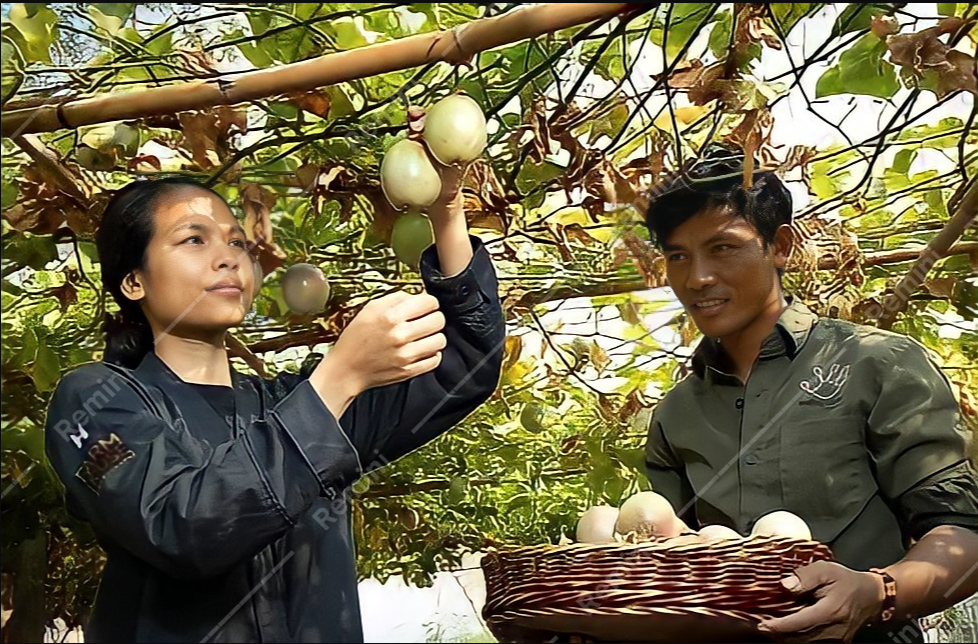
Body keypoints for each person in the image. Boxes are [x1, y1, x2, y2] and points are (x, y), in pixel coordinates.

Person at [43, 160, 505, 643]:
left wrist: (446, 209)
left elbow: (468, 364)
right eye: (194, 239)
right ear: (133, 280)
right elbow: (185, 529)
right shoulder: (96, 400)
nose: (228, 257)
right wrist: (338, 377)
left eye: (236, 241)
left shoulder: (294, 401)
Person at [641, 145, 978, 643]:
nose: (697, 278)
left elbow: (963, 533)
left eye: (723, 248)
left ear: (780, 246)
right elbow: (664, 562)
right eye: (677, 256)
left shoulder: (877, 364)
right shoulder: (675, 414)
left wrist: (876, 592)